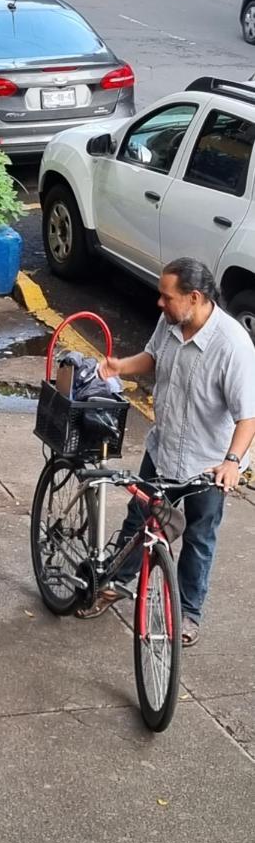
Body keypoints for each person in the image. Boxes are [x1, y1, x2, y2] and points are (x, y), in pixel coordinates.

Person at [76, 257, 255, 647]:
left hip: (205, 466)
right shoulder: (171, 322)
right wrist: (119, 366)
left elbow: (248, 418)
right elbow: (153, 358)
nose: (160, 303)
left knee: (199, 539)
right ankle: (115, 585)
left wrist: (232, 463)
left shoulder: (233, 347)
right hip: (163, 449)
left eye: (166, 296)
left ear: (194, 297)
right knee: (138, 520)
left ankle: (188, 613)